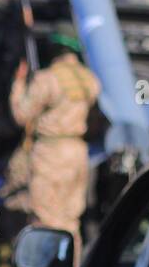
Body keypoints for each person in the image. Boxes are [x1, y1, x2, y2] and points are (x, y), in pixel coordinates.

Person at [10, 37, 101, 255]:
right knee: (70, 219)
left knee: (46, 217)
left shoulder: (47, 78)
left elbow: (21, 115)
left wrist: (18, 84)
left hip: (50, 152)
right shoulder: (90, 80)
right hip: (78, 152)